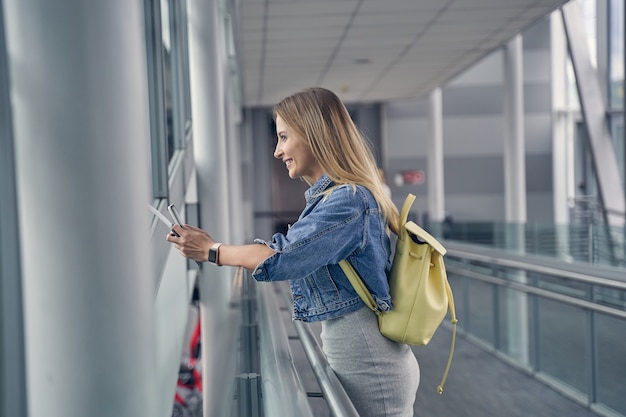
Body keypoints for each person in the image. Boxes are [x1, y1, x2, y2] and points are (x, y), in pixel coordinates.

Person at [167, 87, 419, 417]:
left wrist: (210, 251)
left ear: (314, 133)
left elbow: (283, 258)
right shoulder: (334, 198)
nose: (277, 151)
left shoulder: (346, 201)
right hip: (364, 355)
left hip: (370, 363)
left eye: (284, 137)